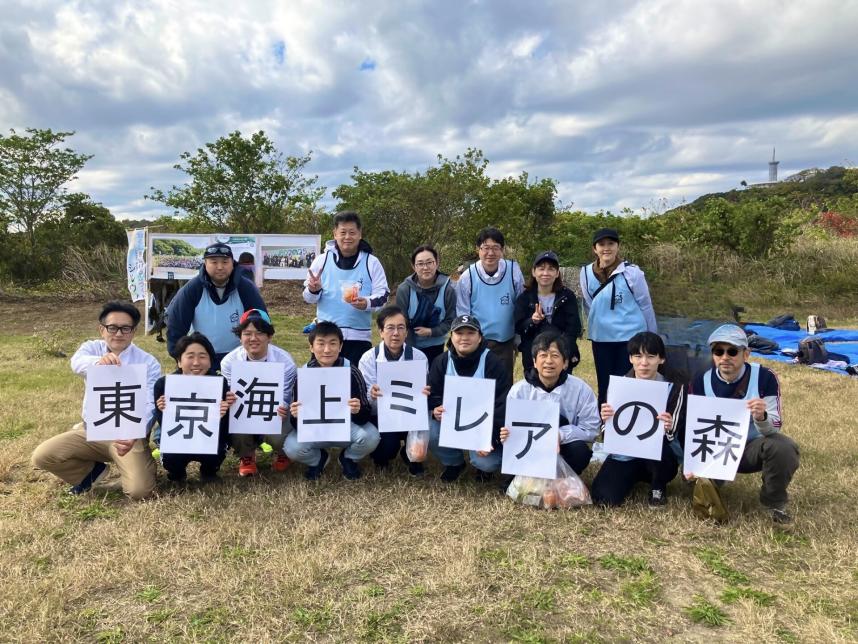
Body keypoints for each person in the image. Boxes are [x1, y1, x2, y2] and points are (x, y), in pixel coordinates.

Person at [31, 301, 160, 500]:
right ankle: (91, 473)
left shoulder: (148, 361)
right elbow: (76, 363)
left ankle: (144, 465)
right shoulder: (91, 349)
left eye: (125, 328)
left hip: (128, 434)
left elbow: (150, 404)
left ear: (133, 331)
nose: (118, 333)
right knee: (42, 455)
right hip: (92, 430)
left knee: (139, 491)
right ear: (102, 329)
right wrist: (98, 362)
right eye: (112, 328)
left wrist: (136, 432)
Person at [689, 324, 800, 524]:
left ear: (746, 354)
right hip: (715, 449)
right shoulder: (700, 380)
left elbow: (774, 427)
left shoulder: (765, 378)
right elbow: (693, 427)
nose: (724, 357)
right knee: (690, 481)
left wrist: (761, 417)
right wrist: (690, 461)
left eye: (732, 351)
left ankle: (773, 502)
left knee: (783, 448)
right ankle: (711, 485)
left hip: (750, 447)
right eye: (718, 351)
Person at [590, 331, 686, 507]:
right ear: (630, 359)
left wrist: (668, 427)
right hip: (625, 453)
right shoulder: (618, 386)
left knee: (663, 452)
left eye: (651, 356)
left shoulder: (674, 387)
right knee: (602, 499)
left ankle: (658, 485)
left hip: (659, 454)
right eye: (638, 356)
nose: (644, 363)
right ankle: (628, 477)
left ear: (661, 359)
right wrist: (606, 421)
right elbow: (609, 435)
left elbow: (674, 433)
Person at [286, 321, 380, 480]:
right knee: (292, 447)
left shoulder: (351, 371)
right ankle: (318, 459)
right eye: (320, 344)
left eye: (332, 343)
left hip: (344, 427)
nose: (327, 350)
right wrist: (295, 415)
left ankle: (349, 458)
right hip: (315, 429)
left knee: (371, 437)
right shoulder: (303, 374)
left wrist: (357, 410)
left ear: (340, 346)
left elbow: (364, 415)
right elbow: (297, 426)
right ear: (311, 347)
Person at [498, 331, 599, 478]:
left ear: (565, 363)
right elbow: (510, 426)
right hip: (529, 446)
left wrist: (560, 435)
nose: (549, 361)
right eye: (543, 355)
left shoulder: (580, 389)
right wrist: (506, 433)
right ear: (534, 361)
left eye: (555, 355)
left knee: (580, 451)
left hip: (564, 446)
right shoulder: (519, 390)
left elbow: (591, 428)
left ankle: (564, 477)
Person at [427, 315, 512, 482]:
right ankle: (454, 463)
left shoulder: (492, 362)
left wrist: (491, 437)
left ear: (480, 337)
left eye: (470, 333)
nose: (464, 338)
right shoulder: (441, 362)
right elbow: (432, 393)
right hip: (452, 421)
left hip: (482, 426)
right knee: (429, 429)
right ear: (451, 336)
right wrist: (435, 409)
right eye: (459, 333)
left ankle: (482, 469)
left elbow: (503, 403)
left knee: (486, 462)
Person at [579, 228, 657, 406]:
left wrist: (652, 336)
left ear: (618, 247)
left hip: (630, 338)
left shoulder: (632, 273)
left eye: (611, 244)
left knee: (628, 383)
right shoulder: (585, 273)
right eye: (602, 244)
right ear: (594, 249)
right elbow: (590, 302)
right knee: (605, 383)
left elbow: (645, 304)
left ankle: (629, 423)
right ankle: (605, 425)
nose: (606, 248)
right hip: (601, 337)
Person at [303, 211, 390, 365]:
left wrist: (366, 303)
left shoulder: (372, 262)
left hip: (359, 338)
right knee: (321, 384)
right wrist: (314, 290)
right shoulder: (321, 261)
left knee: (355, 385)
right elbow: (308, 298)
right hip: (326, 338)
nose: (347, 237)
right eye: (343, 232)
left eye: (352, 232)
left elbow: (383, 296)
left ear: (360, 234)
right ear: (335, 234)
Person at [220, 309, 297, 477]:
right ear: (240, 336)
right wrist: (229, 399)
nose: (253, 338)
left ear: (269, 336)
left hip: (273, 411)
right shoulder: (229, 362)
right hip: (245, 411)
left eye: (260, 333)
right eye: (247, 333)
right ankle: (247, 455)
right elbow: (232, 391)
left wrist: (283, 407)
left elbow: (285, 396)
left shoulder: (286, 362)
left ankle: (283, 453)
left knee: (279, 421)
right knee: (235, 419)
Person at [167, 242, 267, 370]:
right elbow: (176, 327)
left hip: (239, 357)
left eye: (225, 262)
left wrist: (256, 356)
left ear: (233, 263)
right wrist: (180, 359)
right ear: (205, 263)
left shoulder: (246, 288)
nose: (220, 267)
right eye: (214, 262)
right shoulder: (192, 289)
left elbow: (262, 325)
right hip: (202, 358)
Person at [358, 305, 429, 476]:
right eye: (390, 328)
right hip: (381, 415)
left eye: (401, 328)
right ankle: (381, 458)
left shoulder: (419, 357)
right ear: (381, 332)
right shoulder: (369, 358)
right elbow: (363, 399)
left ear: (406, 332)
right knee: (387, 447)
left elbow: (424, 393)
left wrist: (425, 393)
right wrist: (371, 394)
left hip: (410, 414)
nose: (395, 333)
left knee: (420, 446)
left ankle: (410, 456)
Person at [154, 332, 235, 483]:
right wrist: (163, 410)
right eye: (190, 356)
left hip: (206, 434)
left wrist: (225, 411)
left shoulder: (219, 383)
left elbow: (223, 429)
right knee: (172, 456)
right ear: (179, 361)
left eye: (203, 356)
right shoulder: (164, 385)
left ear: (210, 361)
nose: (196, 362)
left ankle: (209, 470)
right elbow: (163, 425)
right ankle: (176, 472)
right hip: (179, 435)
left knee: (216, 448)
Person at [455, 227, 525, 381]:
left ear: (502, 250)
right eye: (485, 248)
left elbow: (521, 304)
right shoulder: (468, 277)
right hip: (477, 341)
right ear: (478, 250)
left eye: (495, 248)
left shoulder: (513, 270)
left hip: (505, 341)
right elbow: (463, 312)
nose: (490, 253)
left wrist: (518, 337)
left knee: (503, 383)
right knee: (478, 383)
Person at [514, 250, 581, 375]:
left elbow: (573, 328)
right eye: (541, 268)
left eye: (551, 269)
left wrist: (566, 353)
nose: (545, 273)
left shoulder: (567, 296)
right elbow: (518, 326)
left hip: (560, 354)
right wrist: (532, 321)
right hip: (533, 356)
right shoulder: (525, 298)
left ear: (557, 273)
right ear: (534, 272)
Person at [395, 245, 457, 367]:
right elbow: (401, 322)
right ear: (414, 266)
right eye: (420, 264)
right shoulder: (404, 289)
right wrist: (410, 353)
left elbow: (451, 320)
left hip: (436, 347)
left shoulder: (449, 289)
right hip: (409, 345)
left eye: (429, 262)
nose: (425, 267)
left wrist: (431, 331)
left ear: (437, 263)